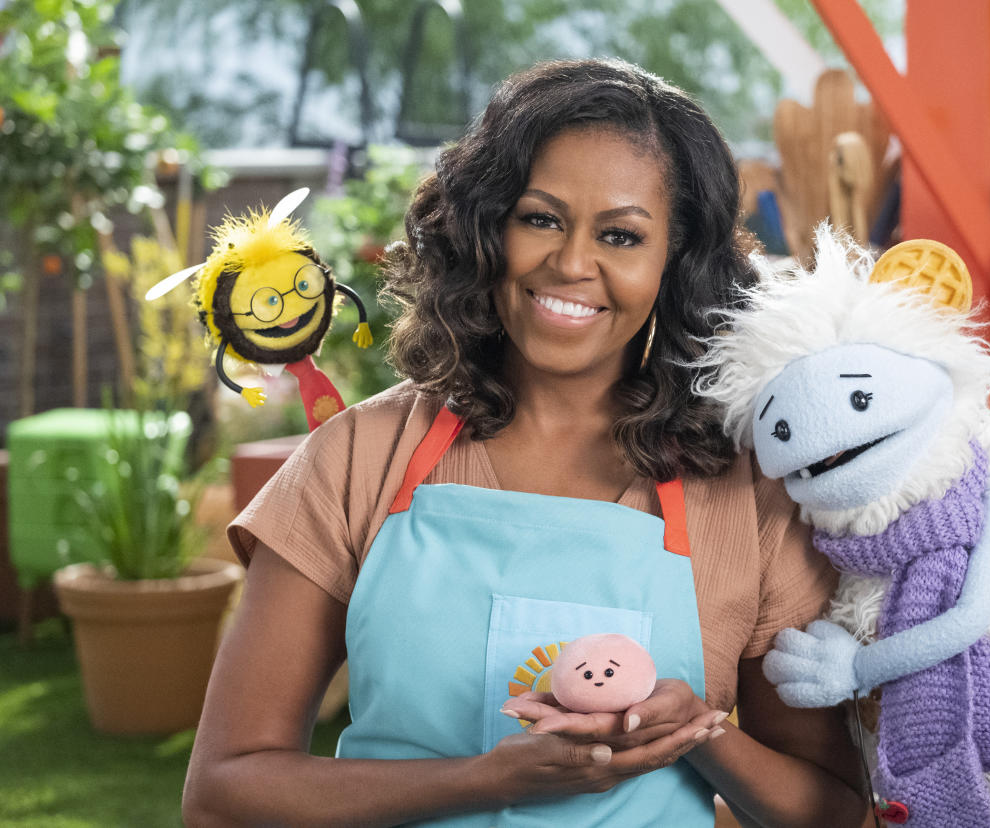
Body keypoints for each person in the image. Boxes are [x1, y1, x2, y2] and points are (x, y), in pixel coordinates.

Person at [182, 58, 865, 828]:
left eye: (621, 234)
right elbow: (223, 793)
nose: (572, 263)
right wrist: (484, 781)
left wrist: (697, 736)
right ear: (484, 226)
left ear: (675, 264)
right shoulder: (358, 458)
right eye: (539, 218)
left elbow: (838, 814)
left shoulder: (747, 490)